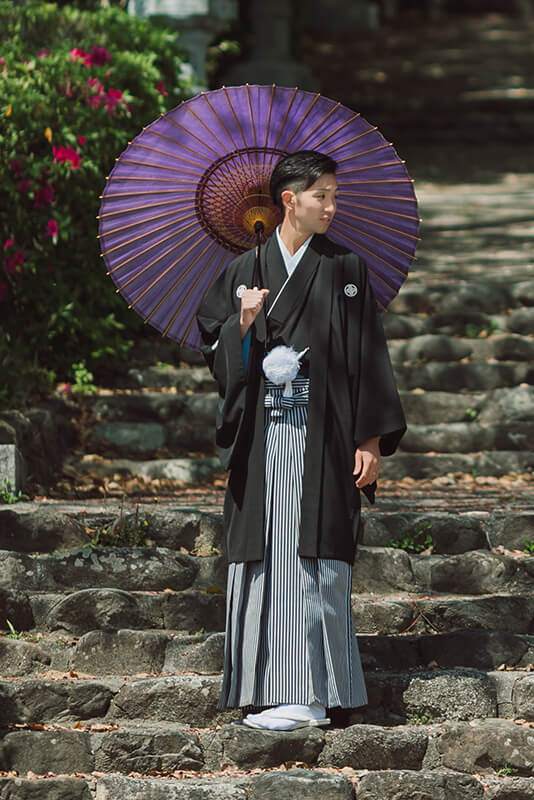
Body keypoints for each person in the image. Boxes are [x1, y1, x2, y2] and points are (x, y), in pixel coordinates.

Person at [196, 150, 407, 731]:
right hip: (263, 434)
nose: (332, 207)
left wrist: (369, 438)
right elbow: (217, 356)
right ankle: (266, 690)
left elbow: (368, 355)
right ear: (289, 200)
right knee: (265, 552)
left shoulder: (346, 270)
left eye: (335, 196)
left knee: (313, 551)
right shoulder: (245, 272)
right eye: (323, 196)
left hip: (324, 433)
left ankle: (312, 695)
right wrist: (242, 323)